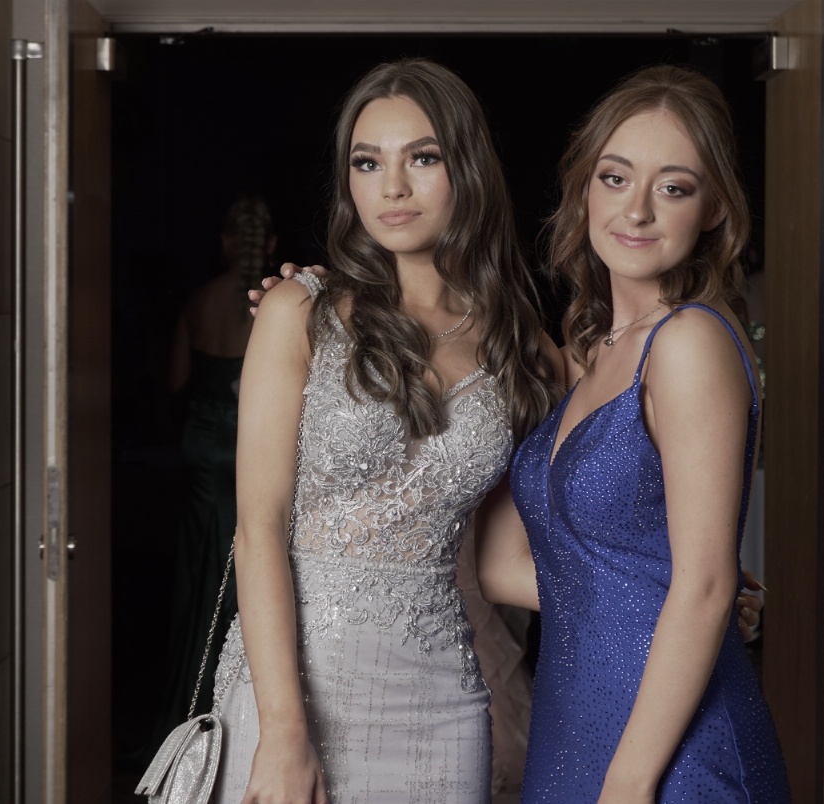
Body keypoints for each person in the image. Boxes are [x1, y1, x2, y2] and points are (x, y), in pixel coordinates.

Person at [212, 58, 563, 804]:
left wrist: (669, 585)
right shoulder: (299, 311)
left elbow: (612, 444)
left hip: (442, 704)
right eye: (367, 162)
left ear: (468, 169)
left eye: (423, 158)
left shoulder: (518, 344)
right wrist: (284, 732)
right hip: (289, 695)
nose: (391, 187)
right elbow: (257, 527)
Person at [476, 65, 789, 802]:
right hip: (575, 729)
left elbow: (706, 583)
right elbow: (498, 564)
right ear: (584, 187)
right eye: (615, 178)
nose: (637, 210)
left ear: (714, 209)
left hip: (668, 758)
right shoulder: (587, 357)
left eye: (673, 188)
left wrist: (629, 779)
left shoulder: (689, 342)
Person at [149, 195, 276, 748]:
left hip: (202, 444)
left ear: (225, 241)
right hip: (253, 446)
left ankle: (189, 698)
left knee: (201, 561)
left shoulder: (198, 300)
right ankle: (235, 705)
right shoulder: (273, 305)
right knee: (251, 553)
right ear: (270, 244)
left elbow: (176, 381)